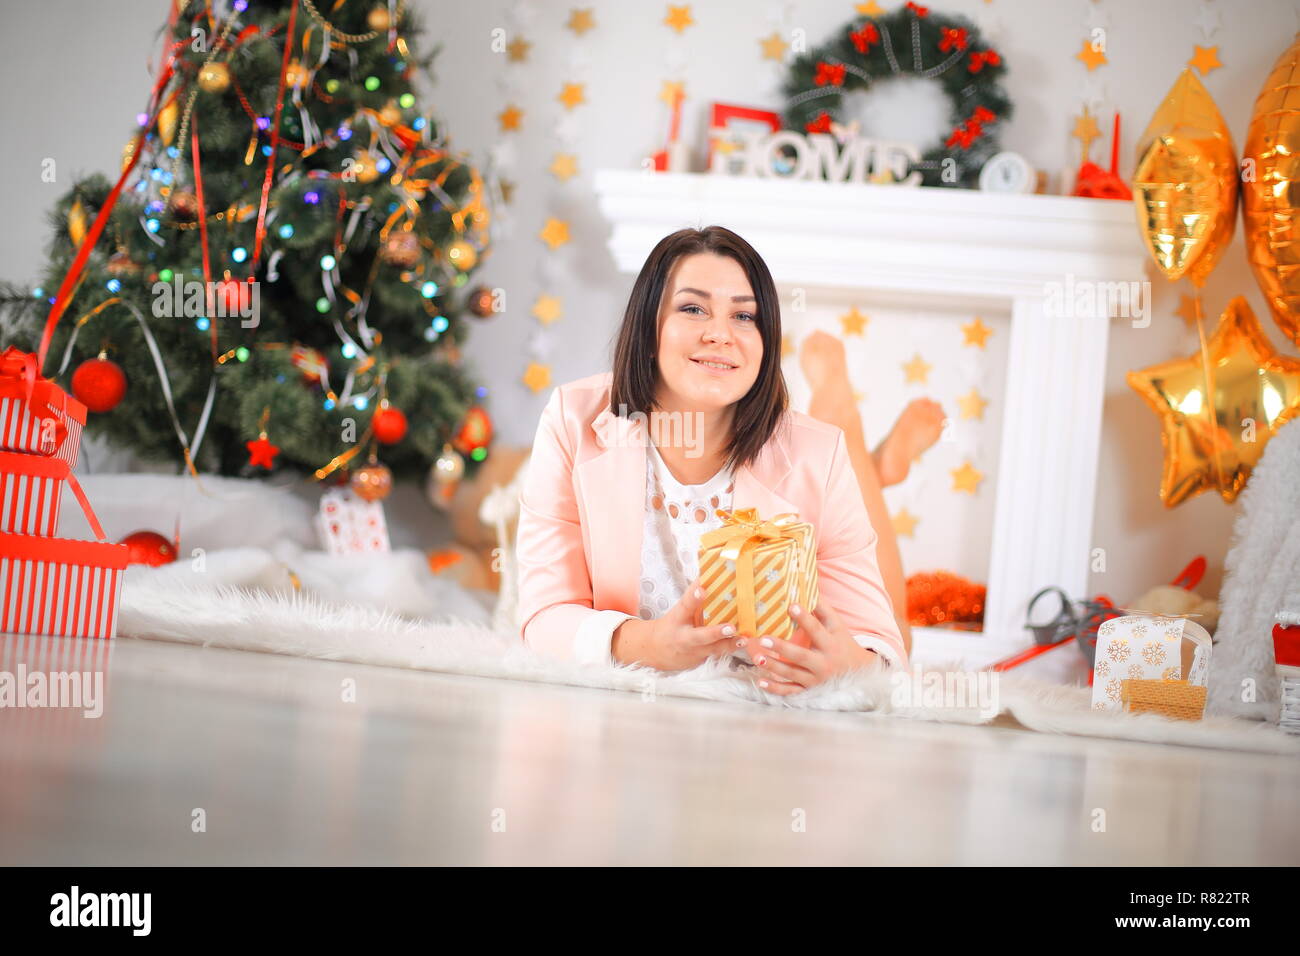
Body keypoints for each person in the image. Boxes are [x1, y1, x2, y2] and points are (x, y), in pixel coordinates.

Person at [515, 225, 905, 695]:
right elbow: (542, 617)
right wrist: (644, 644)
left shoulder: (818, 454)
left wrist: (851, 666)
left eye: (744, 316)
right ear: (649, 324)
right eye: (693, 308)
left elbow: (880, 645)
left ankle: (843, 406)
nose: (721, 334)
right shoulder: (572, 420)